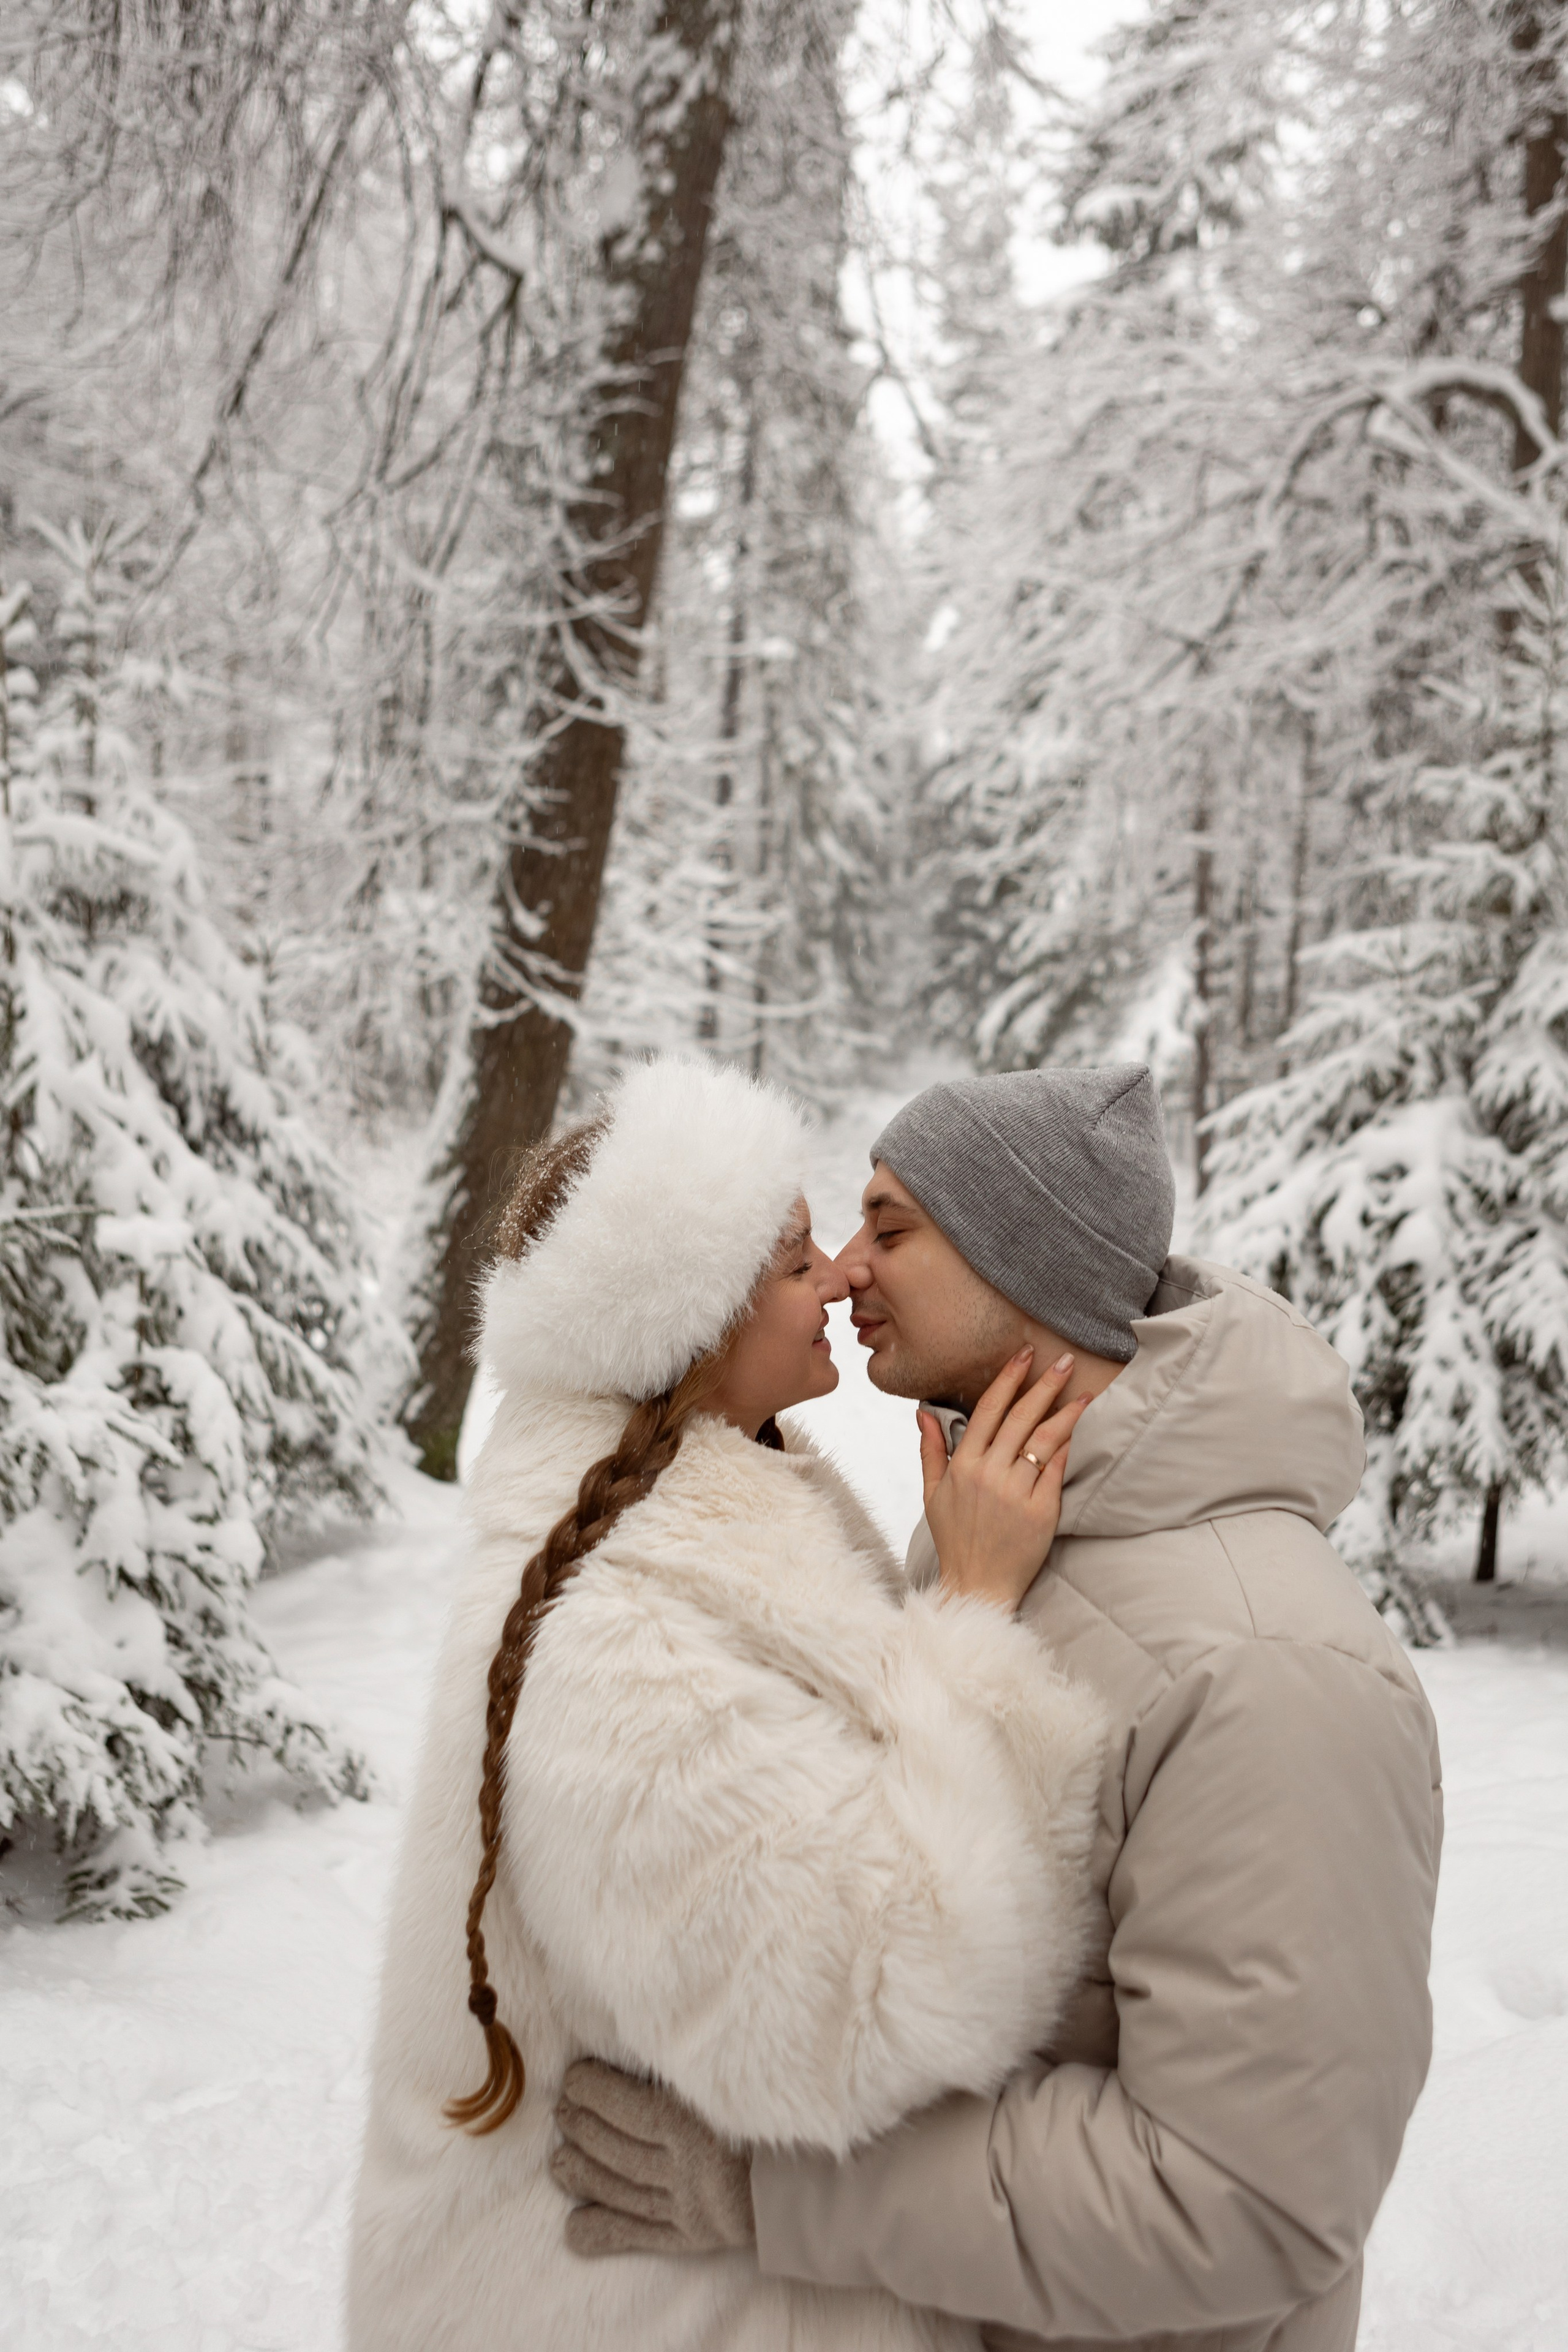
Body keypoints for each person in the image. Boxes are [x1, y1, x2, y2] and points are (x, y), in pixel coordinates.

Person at [553, 1064, 1444, 2352]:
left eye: (892, 1226)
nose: (846, 1270)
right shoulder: (996, 1532)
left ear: (1023, 1260)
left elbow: (1243, 2200)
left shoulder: (1271, 1671)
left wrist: (783, 2191)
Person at [346, 1055, 1107, 2352]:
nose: (838, 1280)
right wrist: (975, 1616)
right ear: (690, 1325)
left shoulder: (726, 1511)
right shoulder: (618, 1652)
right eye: (796, 1260)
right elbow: (883, 2007)